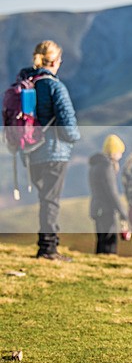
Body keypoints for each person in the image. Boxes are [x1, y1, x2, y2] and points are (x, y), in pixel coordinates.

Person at [20, 40, 81, 261]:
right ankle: (48, 248)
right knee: (51, 200)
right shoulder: (55, 86)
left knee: (45, 198)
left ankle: (47, 245)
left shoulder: (27, 84)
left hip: (31, 151)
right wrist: (75, 138)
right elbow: (67, 123)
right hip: (54, 151)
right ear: (54, 61)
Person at [88, 134, 130, 254]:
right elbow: (112, 193)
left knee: (101, 241)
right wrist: (123, 213)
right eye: (120, 152)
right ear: (114, 152)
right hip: (106, 210)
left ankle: (98, 262)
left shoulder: (95, 165)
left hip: (97, 208)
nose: (121, 155)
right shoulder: (107, 167)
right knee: (109, 243)